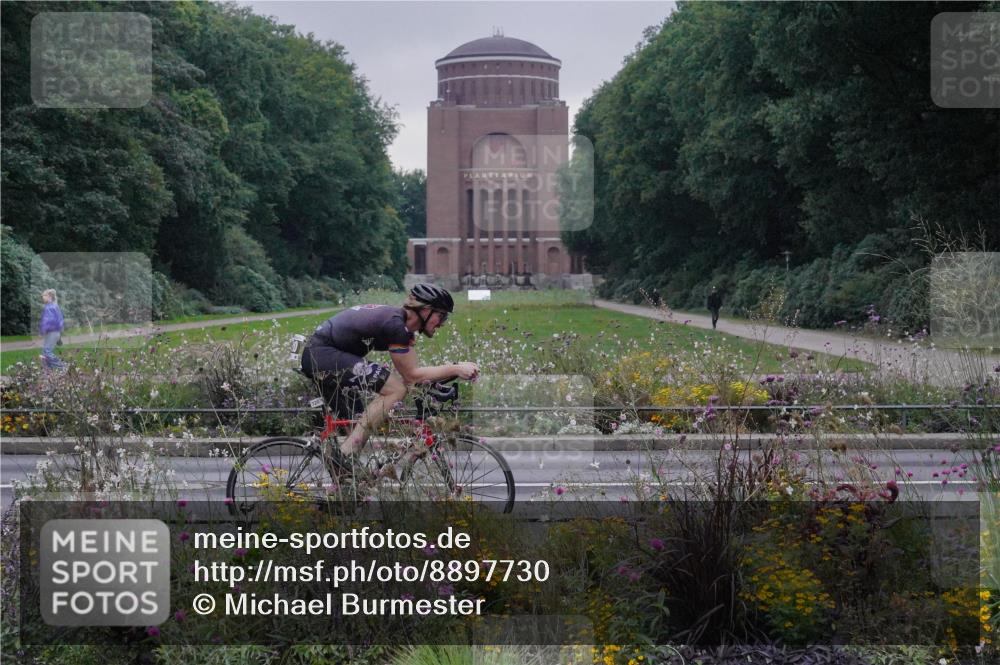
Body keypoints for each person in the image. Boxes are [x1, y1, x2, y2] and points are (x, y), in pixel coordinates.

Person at [301, 283, 478, 458]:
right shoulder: (396, 326)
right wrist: (455, 368)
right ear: (426, 310)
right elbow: (411, 375)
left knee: (358, 423)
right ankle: (344, 455)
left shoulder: (399, 324)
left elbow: (413, 378)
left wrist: (449, 373)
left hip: (323, 355)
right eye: (442, 317)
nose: (442, 324)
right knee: (395, 389)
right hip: (322, 354)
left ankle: (344, 476)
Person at [39, 289, 67, 370]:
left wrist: (42, 331)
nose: (42, 297)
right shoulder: (54, 306)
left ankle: (63, 366)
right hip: (55, 332)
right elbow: (60, 320)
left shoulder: (49, 307)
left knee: (47, 352)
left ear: (49, 296)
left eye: (44, 295)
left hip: (51, 332)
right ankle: (48, 372)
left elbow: (47, 321)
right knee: (45, 353)